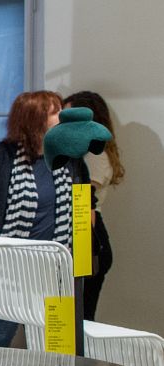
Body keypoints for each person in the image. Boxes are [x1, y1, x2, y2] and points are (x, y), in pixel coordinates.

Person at [0, 90, 88, 346]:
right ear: (35, 119)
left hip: (56, 269)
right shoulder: (1, 157)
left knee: (58, 342)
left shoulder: (70, 159)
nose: (62, 117)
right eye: (55, 112)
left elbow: (85, 205)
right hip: (12, 269)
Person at [64, 89, 123, 319]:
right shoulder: (83, 153)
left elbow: (82, 200)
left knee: (80, 317)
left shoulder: (94, 156)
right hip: (85, 234)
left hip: (88, 234)